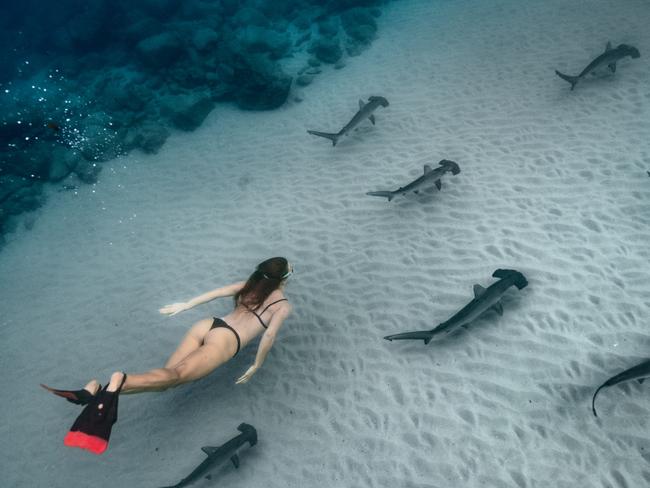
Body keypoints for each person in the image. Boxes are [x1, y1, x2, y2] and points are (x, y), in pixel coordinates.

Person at [43, 257, 293, 403]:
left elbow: (215, 293)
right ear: (283, 278)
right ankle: (121, 379)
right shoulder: (281, 306)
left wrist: (185, 305)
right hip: (226, 341)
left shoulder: (247, 285)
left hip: (209, 324)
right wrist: (256, 365)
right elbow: (268, 336)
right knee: (175, 377)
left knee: (167, 379)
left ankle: (102, 392)